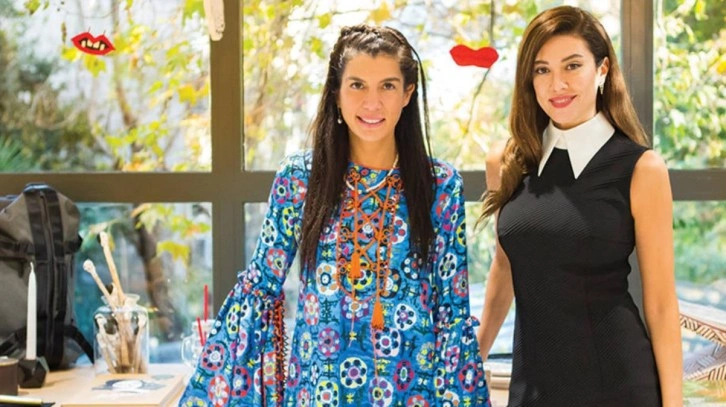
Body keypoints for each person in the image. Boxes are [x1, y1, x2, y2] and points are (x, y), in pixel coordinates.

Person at [179, 24, 490, 406]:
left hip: (412, 393)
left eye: (388, 86)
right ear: (336, 93)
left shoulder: (440, 185)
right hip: (318, 392)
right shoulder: (299, 179)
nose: (372, 103)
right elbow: (259, 290)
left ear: (407, 94)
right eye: (357, 85)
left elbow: (451, 311)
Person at [475, 6, 682, 407]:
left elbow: (660, 304)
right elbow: (505, 267)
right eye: (542, 70)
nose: (557, 84)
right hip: (532, 387)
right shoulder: (507, 161)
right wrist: (472, 359)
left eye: (572, 66)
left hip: (617, 385)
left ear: (602, 69)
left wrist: (674, 404)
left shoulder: (641, 169)